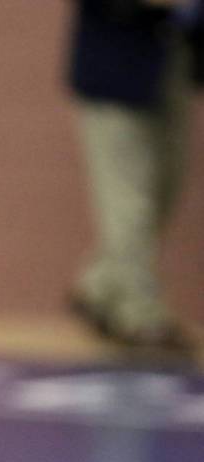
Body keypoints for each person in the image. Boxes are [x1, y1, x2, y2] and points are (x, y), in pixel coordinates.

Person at [67, 0, 203, 349]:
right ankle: (141, 316)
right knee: (130, 202)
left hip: (171, 59)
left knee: (166, 188)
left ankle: (98, 285)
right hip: (116, 65)